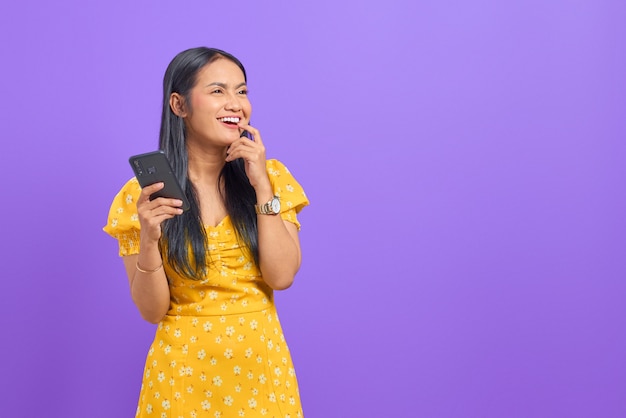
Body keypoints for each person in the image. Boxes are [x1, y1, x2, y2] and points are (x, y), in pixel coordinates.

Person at [103, 47, 309, 418]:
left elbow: (281, 276)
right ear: (179, 105)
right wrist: (149, 239)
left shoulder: (273, 178)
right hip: (179, 379)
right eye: (218, 91)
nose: (235, 104)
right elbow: (152, 312)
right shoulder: (141, 197)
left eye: (242, 91)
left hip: (261, 374)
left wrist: (262, 186)